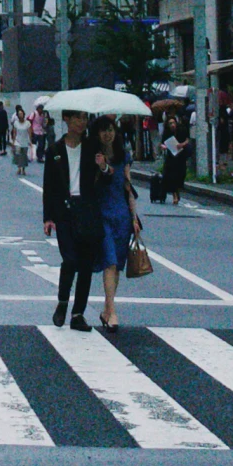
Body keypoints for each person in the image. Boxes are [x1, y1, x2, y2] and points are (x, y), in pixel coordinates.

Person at [42, 107, 101, 329]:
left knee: (86, 264)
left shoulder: (92, 147)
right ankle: (62, 303)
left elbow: (103, 179)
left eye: (85, 117)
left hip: (87, 209)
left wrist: (103, 166)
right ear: (66, 119)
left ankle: (78, 314)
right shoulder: (55, 150)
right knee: (70, 260)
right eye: (77, 117)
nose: (81, 122)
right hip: (64, 212)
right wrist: (48, 217)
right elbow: (49, 186)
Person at [91, 117, 143, 331]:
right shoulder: (92, 156)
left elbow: (128, 187)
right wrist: (100, 166)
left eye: (110, 130)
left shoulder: (123, 157)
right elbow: (90, 186)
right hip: (102, 214)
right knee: (109, 261)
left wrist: (134, 218)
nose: (107, 134)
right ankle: (112, 311)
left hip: (121, 215)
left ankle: (106, 309)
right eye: (103, 130)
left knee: (117, 264)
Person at [161, 118, 189, 206]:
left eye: (173, 123)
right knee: (172, 176)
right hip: (171, 156)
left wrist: (182, 144)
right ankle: (175, 195)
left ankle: (178, 190)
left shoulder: (182, 130)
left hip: (181, 156)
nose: (172, 125)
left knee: (181, 174)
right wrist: (164, 146)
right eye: (170, 123)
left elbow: (187, 139)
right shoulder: (167, 133)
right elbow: (162, 143)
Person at [10, 105, 32, 176]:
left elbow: (29, 132)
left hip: (25, 141)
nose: (20, 115)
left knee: (24, 155)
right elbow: (14, 133)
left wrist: (30, 141)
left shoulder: (27, 123)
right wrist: (13, 141)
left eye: (21, 114)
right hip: (18, 141)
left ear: (23, 114)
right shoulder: (16, 123)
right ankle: (19, 168)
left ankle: (23, 169)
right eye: (19, 114)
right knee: (18, 155)